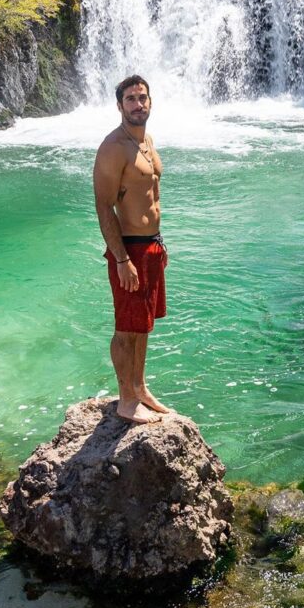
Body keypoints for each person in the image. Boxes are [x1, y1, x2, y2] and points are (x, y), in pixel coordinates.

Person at [93, 75, 170, 424]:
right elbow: (103, 205)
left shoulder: (147, 141)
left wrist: (159, 246)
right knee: (126, 327)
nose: (138, 104)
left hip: (152, 246)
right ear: (119, 105)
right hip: (130, 250)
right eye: (130, 99)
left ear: (150, 102)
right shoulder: (114, 146)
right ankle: (126, 401)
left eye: (142, 98)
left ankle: (139, 387)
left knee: (143, 325)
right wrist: (122, 258)